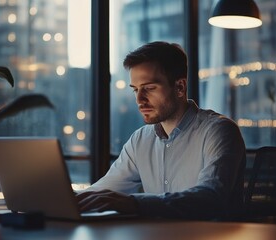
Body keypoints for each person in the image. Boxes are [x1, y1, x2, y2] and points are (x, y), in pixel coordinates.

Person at [76, 41, 246, 220]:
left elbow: (210, 198)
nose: (139, 100)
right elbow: (102, 192)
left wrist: (133, 203)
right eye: (135, 90)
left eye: (149, 88)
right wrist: (62, 202)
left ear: (180, 87)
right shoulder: (140, 140)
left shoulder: (219, 131)